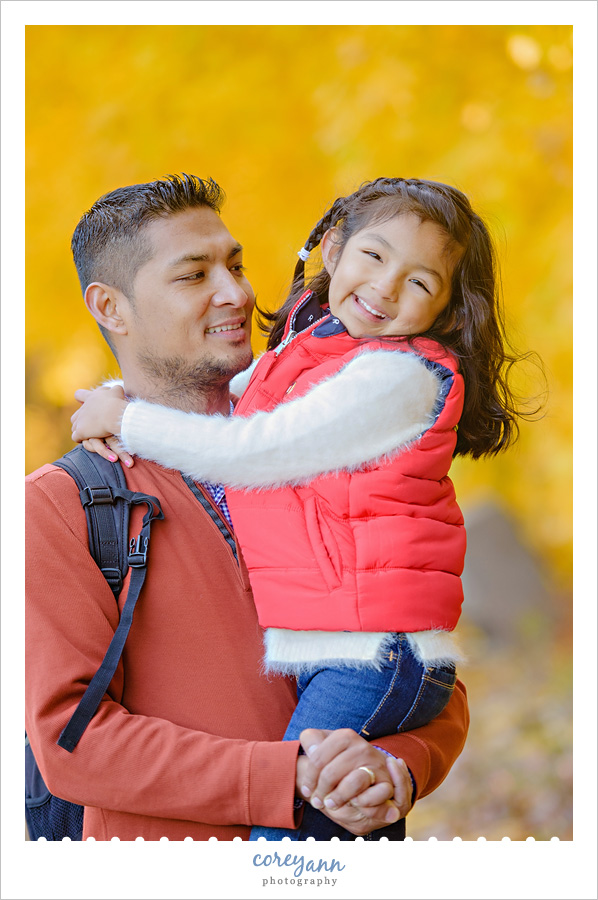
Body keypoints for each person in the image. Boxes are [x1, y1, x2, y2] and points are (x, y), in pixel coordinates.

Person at [26, 173, 470, 842]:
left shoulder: (329, 440)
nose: (236, 292)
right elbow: (73, 739)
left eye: (235, 264)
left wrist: (395, 767)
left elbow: (417, 663)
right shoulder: (59, 504)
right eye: (193, 275)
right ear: (111, 308)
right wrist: (287, 775)